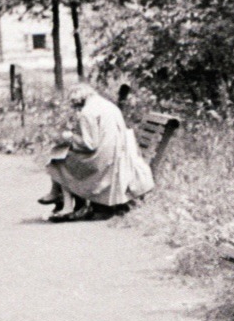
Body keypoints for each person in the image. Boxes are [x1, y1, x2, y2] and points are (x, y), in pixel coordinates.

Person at [41, 83, 155, 222]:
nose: (76, 107)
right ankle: (67, 201)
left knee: (58, 158)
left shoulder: (87, 112)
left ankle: (67, 205)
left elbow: (90, 145)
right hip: (119, 155)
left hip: (103, 159)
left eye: (74, 103)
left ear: (78, 99)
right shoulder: (109, 105)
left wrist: (70, 136)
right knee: (63, 155)